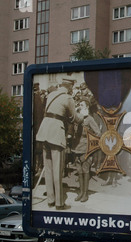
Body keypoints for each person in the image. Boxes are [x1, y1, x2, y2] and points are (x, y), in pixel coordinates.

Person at [36, 80, 83, 210]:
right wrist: (83, 116)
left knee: (49, 168)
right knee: (58, 169)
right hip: (56, 133)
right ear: (69, 87)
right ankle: (59, 203)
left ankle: (50, 200)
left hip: (44, 131)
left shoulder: (51, 95)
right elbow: (74, 118)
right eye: (72, 87)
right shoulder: (68, 98)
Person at [71, 97, 101, 203]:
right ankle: (80, 192)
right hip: (76, 149)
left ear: (87, 107)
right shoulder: (77, 118)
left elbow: (98, 133)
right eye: (79, 105)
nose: (80, 107)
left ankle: (85, 194)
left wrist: (90, 140)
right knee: (79, 172)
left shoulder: (89, 119)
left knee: (85, 171)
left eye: (82, 105)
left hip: (85, 149)